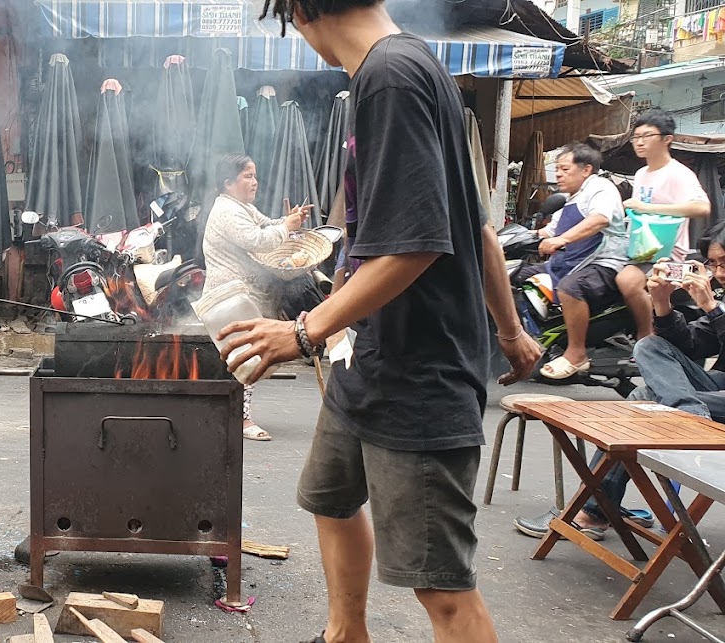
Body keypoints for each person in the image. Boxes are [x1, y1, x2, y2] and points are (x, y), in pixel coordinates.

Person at [226, 1, 542, 641]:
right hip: (369, 360)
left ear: (300, 11)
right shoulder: (415, 65)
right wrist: (509, 332)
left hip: (419, 374)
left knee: (442, 586)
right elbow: (469, 226)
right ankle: (346, 635)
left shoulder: (389, 79)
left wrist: (304, 331)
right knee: (329, 497)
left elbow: (417, 246)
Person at [517, 226, 725, 540]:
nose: (719, 273)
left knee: (645, 398)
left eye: (724, 264)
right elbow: (692, 346)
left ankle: (596, 510)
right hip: (713, 394)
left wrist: (712, 308)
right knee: (648, 350)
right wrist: (662, 304)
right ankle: (688, 419)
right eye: (713, 265)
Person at [202, 153, 313, 442]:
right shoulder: (226, 211)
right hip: (228, 298)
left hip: (243, 295)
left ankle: (229, 413)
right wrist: (286, 228)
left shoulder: (241, 207)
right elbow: (258, 240)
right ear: (228, 183)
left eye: (255, 175)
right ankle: (241, 418)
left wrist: (291, 220)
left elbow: (266, 225)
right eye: (248, 176)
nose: (255, 182)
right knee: (245, 358)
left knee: (242, 357)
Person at [509, 144, 628, 380]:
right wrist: (514, 238)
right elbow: (550, 231)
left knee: (571, 288)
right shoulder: (571, 198)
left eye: (564, 168)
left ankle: (576, 353)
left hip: (602, 262)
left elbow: (599, 220)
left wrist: (561, 239)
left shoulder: (600, 188)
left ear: (586, 170)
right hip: (570, 260)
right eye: (558, 169)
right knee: (514, 276)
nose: (559, 174)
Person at [614, 109, 712, 340]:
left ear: (667, 139)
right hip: (640, 249)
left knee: (626, 280)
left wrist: (648, 207)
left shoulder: (678, 173)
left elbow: (702, 207)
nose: (639, 142)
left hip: (667, 254)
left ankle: (647, 336)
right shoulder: (640, 174)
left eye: (646, 136)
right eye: (636, 137)